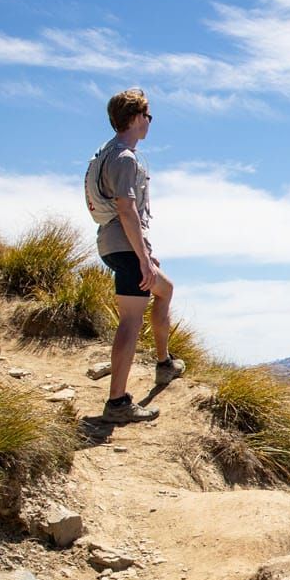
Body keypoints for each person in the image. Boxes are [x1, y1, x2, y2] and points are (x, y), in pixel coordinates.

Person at [87, 87, 184, 424]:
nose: (149, 122)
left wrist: (145, 254)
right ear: (134, 118)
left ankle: (164, 363)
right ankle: (117, 402)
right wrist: (142, 258)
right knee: (130, 319)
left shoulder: (105, 153)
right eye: (147, 116)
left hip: (113, 242)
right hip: (125, 243)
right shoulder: (125, 158)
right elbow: (126, 209)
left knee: (165, 289)